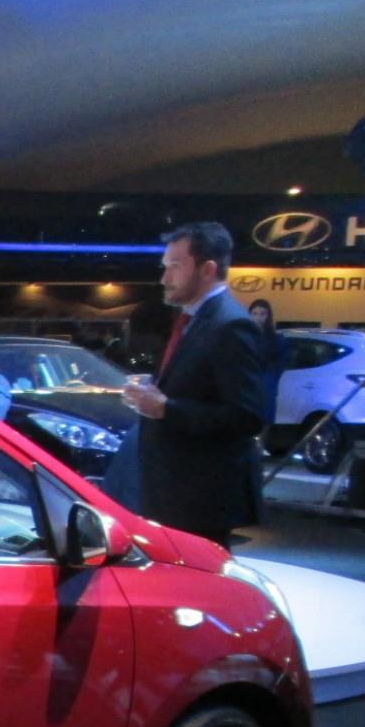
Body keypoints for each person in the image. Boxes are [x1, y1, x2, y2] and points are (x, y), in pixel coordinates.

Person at [119, 222, 265, 547]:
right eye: (165, 267)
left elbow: (247, 416)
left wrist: (167, 409)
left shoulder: (230, 326)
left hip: (201, 500)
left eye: (175, 266)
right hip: (176, 494)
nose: (164, 278)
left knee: (198, 578)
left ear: (207, 269)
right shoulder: (194, 319)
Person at [247, 298, 289, 428]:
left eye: (262, 314)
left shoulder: (277, 339)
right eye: (254, 313)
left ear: (268, 315)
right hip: (247, 386)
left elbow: (281, 364)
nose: (258, 318)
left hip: (266, 385)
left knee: (265, 421)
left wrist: (271, 379)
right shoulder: (244, 336)